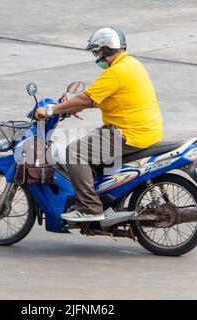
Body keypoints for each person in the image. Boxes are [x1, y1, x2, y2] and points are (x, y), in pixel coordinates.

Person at [35, 27, 163, 222]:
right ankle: (102, 195)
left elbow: (86, 99)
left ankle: (90, 208)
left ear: (106, 49)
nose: (97, 57)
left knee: (74, 152)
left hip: (130, 133)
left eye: (97, 52)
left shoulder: (116, 73)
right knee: (91, 140)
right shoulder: (131, 64)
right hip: (146, 129)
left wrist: (52, 110)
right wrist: (74, 107)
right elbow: (108, 98)